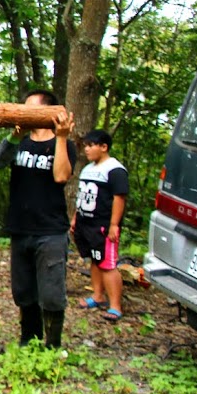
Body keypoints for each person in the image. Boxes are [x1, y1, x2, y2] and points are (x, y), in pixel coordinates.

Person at [0, 90, 76, 348]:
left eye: (30, 108)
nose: (23, 112)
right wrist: (14, 135)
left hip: (50, 230)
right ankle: (29, 340)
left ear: (46, 111)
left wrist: (61, 138)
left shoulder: (63, 145)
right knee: (24, 291)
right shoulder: (20, 143)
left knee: (51, 293)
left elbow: (61, 176)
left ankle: (52, 345)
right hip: (20, 227)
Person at [71, 129, 129, 323]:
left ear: (104, 147)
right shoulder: (88, 169)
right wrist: (75, 218)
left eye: (90, 145)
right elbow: (82, 196)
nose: (86, 150)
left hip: (103, 225)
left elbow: (119, 198)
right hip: (85, 223)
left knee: (108, 264)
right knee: (95, 260)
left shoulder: (114, 170)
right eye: (85, 146)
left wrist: (114, 225)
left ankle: (115, 306)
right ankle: (97, 295)